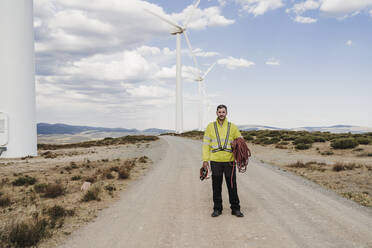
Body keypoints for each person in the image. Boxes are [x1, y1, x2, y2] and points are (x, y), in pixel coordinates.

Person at [202, 104, 244, 217]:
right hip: (215, 161)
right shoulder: (210, 127)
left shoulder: (232, 127)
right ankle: (217, 209)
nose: (221, 114)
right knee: (216, 186)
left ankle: (235, 209)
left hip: (229, 161)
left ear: (226, 113)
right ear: (216, 113)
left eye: (223, 112)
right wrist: (205, 160)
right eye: (219, 112)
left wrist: (237, 143)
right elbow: (206, 145)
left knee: (232, 185)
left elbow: (241, 140)